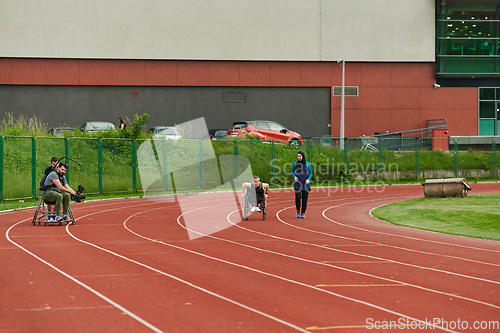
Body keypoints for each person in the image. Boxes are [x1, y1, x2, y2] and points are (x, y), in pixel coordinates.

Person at [291, 150, 312, 218]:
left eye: (300, 156)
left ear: (303, 156)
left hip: (305, 183)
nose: (299, 157)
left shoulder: (308, 164)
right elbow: (292, 171)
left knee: (304, 199)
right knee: (298, 197)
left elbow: (311, 173)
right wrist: (294, 177)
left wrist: (308, 179)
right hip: (298, 183)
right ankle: (298, 210)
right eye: (298, 156)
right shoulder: (295, 164)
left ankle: (303, 212)